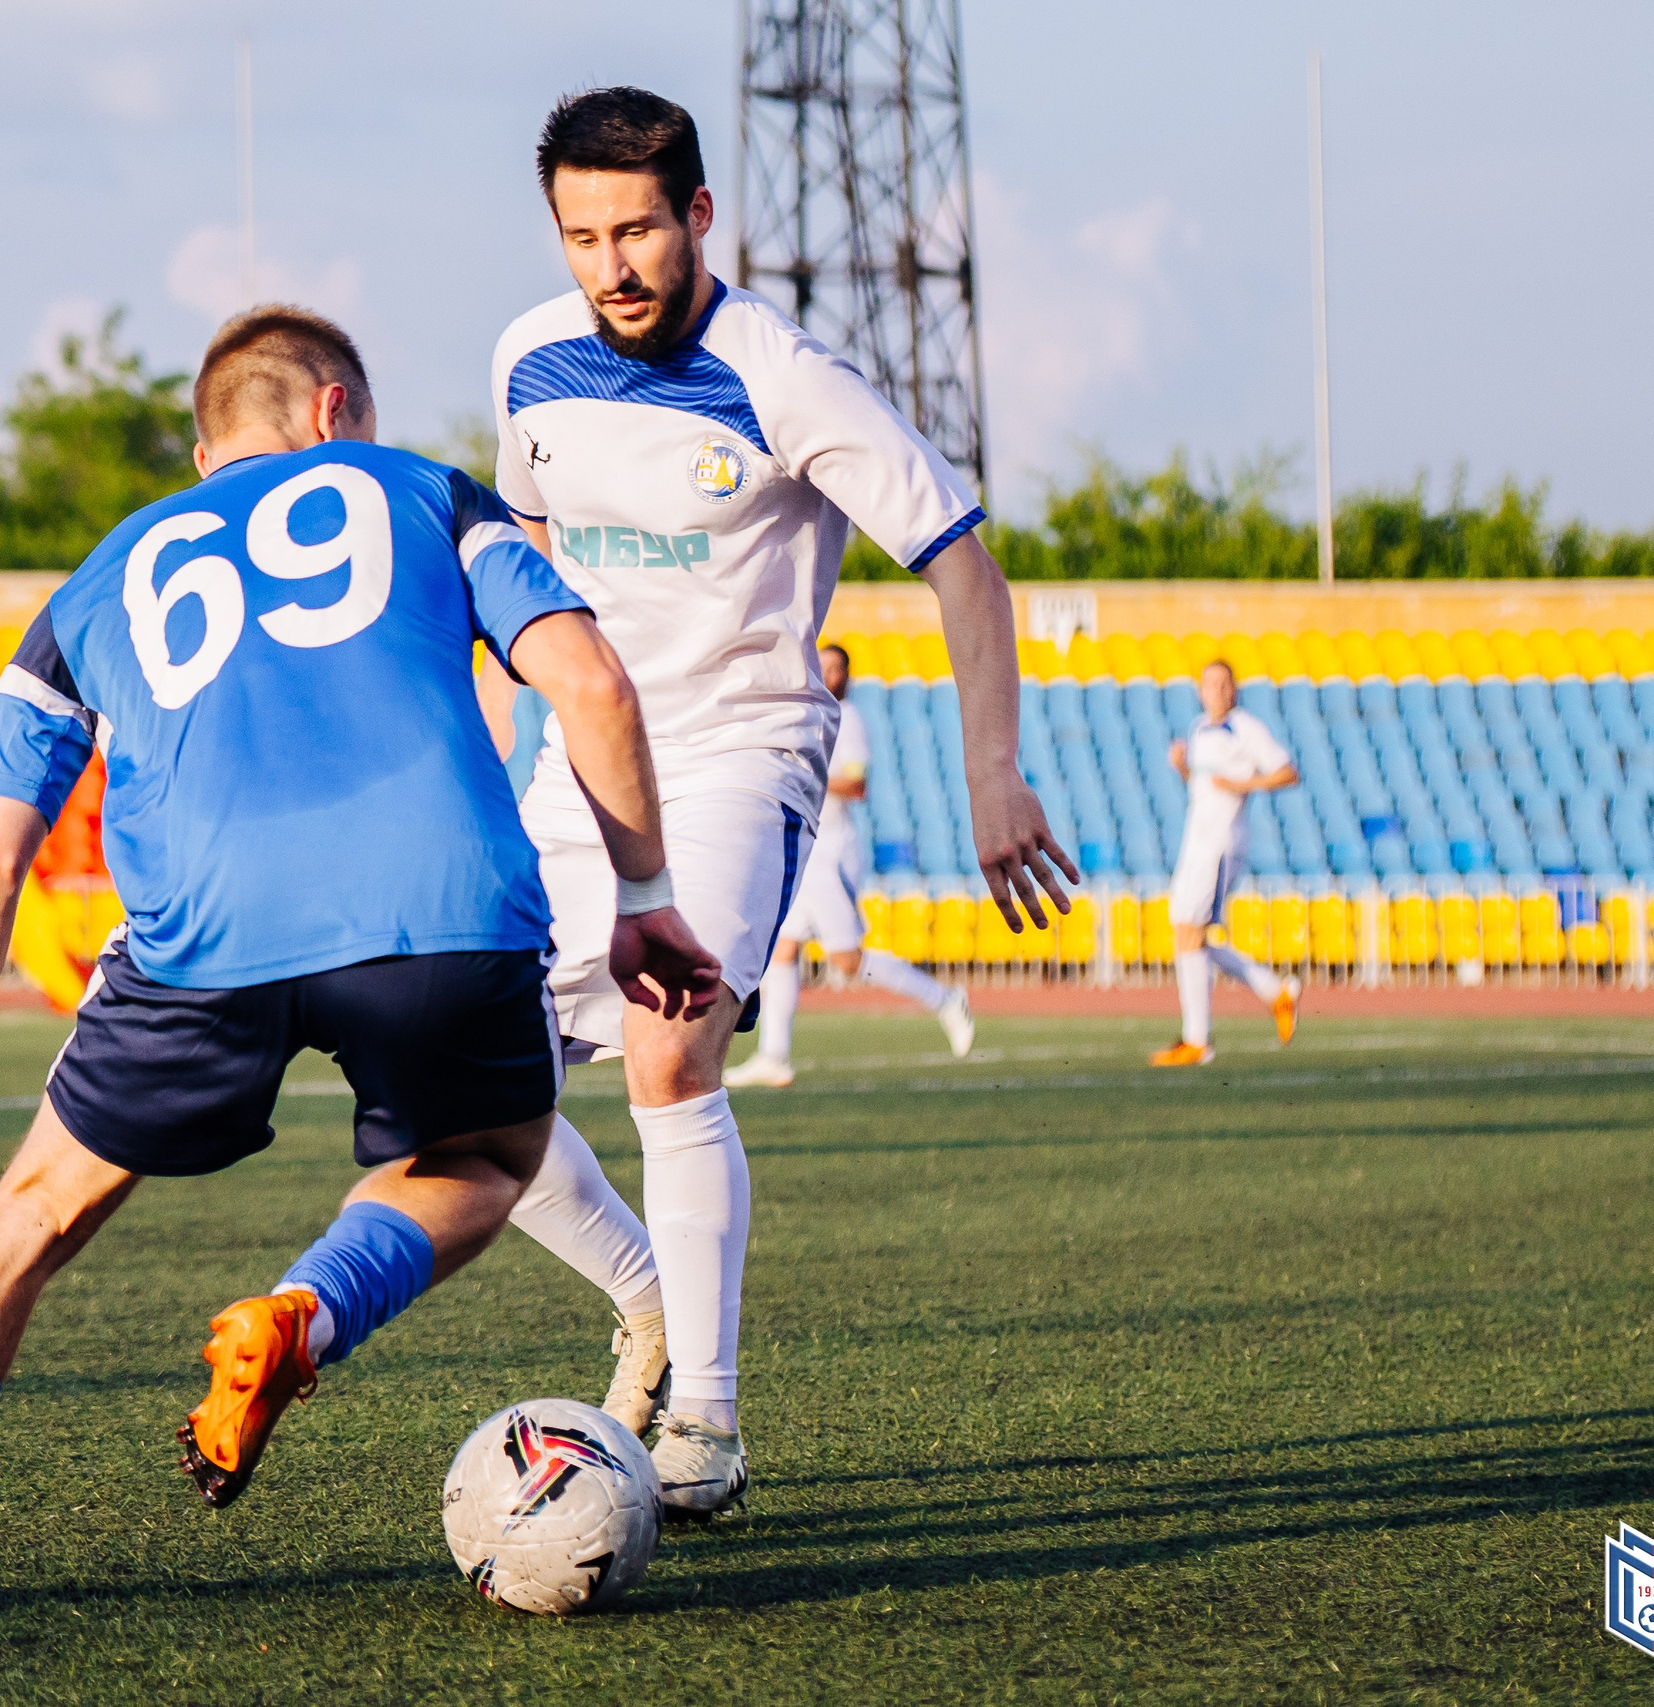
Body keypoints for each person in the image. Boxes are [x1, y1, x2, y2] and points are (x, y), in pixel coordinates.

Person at [0, 307, 721, 1622]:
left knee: (32, 1211)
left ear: (206, 439)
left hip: (200, 936)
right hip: (437, 904)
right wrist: (645, 898)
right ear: (335, 408)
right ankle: (303, 1313)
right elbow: (595, 683)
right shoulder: (427, 491)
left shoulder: (98, 576)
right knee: (490, 1159)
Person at [479, 88, 1074, 1517]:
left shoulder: (785, 371)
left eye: (635, 229)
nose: (610, 265)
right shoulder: (526, 361)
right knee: (462, 1089)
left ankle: (709, 1423)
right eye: (580, 236)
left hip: (742, 749)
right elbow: (521, 564)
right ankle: (646, 1296)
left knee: (670, 1052)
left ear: (697, 216)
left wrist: (996, 770)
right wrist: (487, 770)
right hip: (582, 762)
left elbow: (961, 560)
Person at [726, 642, 975, 1088]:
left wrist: (799, 777)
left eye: (835, 667)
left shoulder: (848, 719)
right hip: (804, 846)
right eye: (821, 665)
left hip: (829, 851)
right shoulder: (808, 715)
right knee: (783, 949)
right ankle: (774, 1055)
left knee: (846, 959)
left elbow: (858, 785)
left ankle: (945, 999)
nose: (827, 674)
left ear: (847, 675)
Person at [1149, 658, 1302, 1066]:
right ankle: (1275, 992)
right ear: (1199, 690)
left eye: (1223, 684)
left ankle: (1198, 1040)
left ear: (1233, 690)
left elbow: (1288, 772)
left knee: (1192, 935)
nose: (1215, 690)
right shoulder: (1199, 728)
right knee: (1187, 932)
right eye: (1208, 684)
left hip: (1220, 843)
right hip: (1195, 840)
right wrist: (1182, 767)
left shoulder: (1245, 727)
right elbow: (1201, 784)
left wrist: (1243, 784)